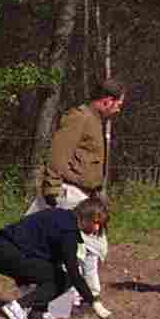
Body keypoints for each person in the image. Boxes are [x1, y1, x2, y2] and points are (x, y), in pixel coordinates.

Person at [25, 82, 127, 299]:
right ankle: (81, 297)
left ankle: (80, 296)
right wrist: (51, 188)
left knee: (92, 247)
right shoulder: (80, 117)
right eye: (118, 103)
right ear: (106, 100)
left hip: (83, 194)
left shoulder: (95, 121)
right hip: (69, 192)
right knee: (90, 246)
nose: (119, 108)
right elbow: (58, 153)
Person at [0, 197, 114, 319]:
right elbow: (74, 274)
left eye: (100, 225)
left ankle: (36, 313)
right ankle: (18, 306)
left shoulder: (62, 217)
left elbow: (52, 260)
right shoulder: (68, 232)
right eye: (96, 223)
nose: (97, 229)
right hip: (6, 252)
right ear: (86, 216)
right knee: (66, 279)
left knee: (53, 272)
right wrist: (94, 303)